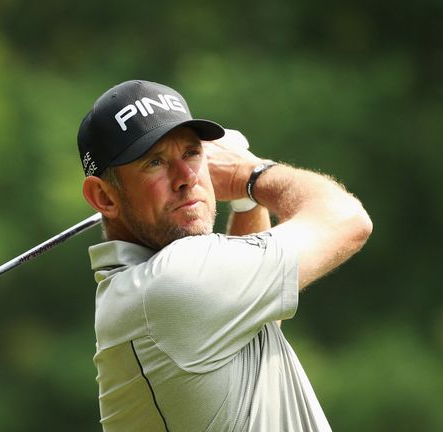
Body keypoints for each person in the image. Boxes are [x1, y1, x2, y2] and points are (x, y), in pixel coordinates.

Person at [76, 80, 372, 431]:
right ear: (105, 198)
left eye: (191, 153)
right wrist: (250, 173)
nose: (186, 177)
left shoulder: (143, 291)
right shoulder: (173, 281)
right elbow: (346, 219)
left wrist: (246, 201)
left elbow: (256, 319)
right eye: (154, 162)